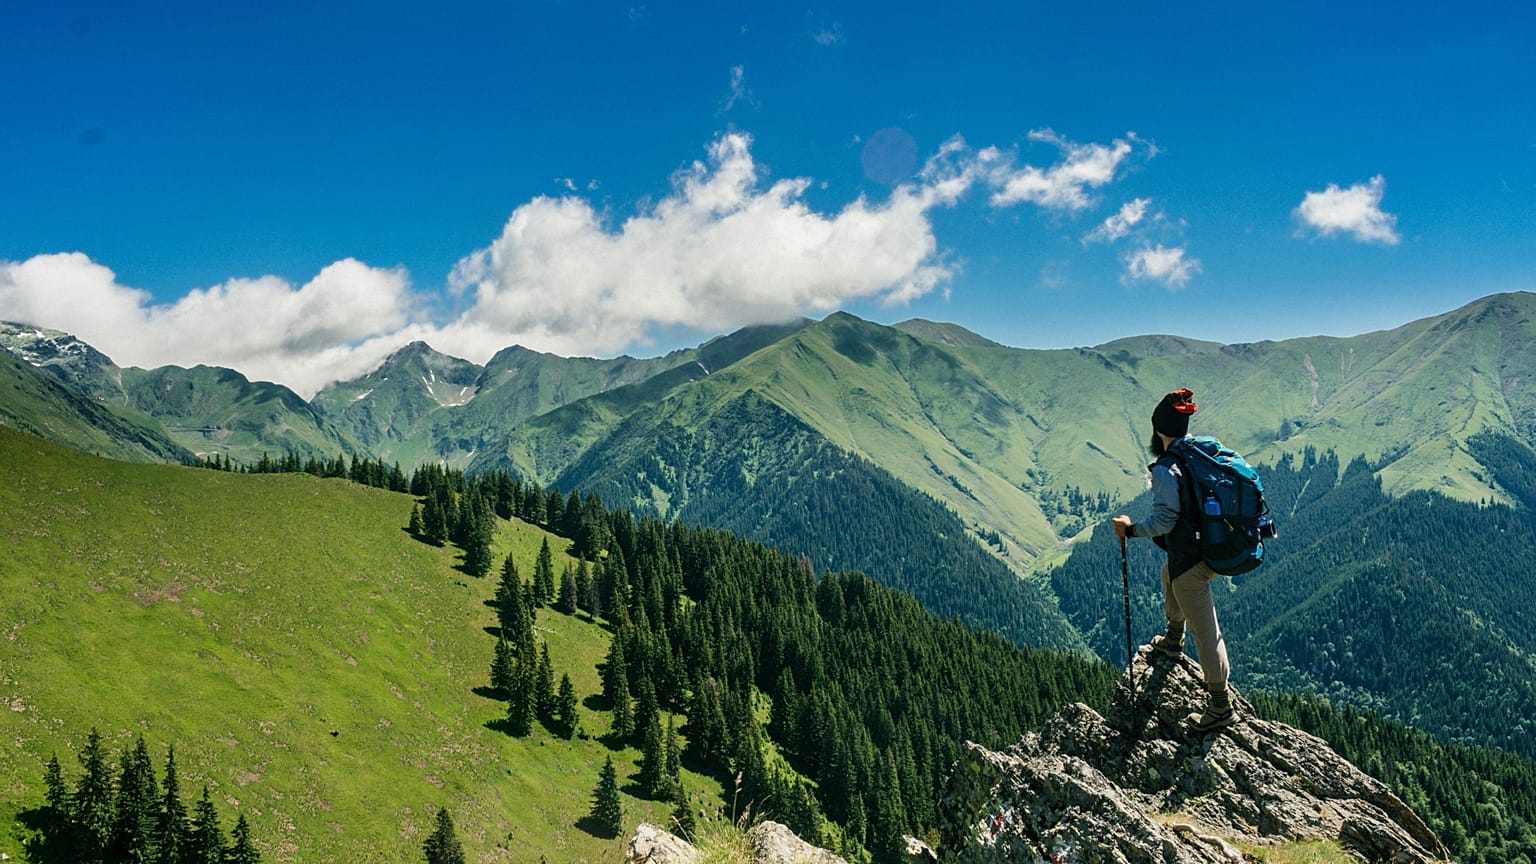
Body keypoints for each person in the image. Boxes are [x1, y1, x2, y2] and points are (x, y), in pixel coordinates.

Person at [1111, 387, 1235, 732]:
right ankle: (1172, 639)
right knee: (1169, 574)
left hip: (1194, 559)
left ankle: (1220, 706)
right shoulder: (1200, 452)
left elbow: (1164, 520)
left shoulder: (1168, 467)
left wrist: (1130, 530)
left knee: (1206, 630)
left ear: (1158, 430)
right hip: (1213, 545)